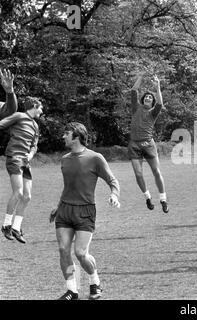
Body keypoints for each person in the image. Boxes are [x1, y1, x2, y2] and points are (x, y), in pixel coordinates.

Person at [49, 122, 120, 300]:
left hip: (85, 211)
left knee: (81, 253)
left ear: (77, 136)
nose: (63, 136)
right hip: (65, 210)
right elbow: (69, 187)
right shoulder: (64, 159)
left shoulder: (95, 158)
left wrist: (114, 195)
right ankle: (72, 291)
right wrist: (58, 206)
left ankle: (95, 283)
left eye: (67, 133)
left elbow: (113, 181)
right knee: (63, 250)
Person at [0, 96, 43, 244]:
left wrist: (30, 155)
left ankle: (16, 228)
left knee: (27, 196)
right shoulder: (19, 116)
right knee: (18, 193)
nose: (42, 111)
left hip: (25, 161)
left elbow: (34, 145)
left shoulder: (35, 125)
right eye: (40, 108)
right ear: (34, 106)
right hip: (14, 157)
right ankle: (6, 225)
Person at [128, 73, 168, 213]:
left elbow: (160, 103)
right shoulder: (136, 108)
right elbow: (134, 90)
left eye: (150, 97)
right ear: (143, 100)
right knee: (138, 174)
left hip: (148, 144)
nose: (148, 98)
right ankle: (148, 197)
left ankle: (163, 199)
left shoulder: (153, 113)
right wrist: (141, 76)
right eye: (146, 97)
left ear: (152, 102)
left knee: (156, 171)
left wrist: (157, 85)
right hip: (134, 145)